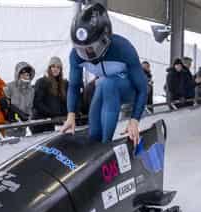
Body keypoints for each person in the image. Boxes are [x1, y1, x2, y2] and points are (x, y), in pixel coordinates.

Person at [60, 3, 147, 146]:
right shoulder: (76, 56)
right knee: (100, 92)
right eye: (81, 49)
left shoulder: (123, 49)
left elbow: (143, 88)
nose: (86, 54)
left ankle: (107, 143)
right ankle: (96, 143)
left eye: (91, 48)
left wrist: (134, 119)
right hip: (106, 89)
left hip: (127, 88)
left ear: (105, 38)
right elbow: (74, 86)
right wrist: (71, 115)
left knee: (107, 83)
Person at [32, 57, 68, 134]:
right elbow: (37, 103)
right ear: (49, 68)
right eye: (53, 66)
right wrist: (52, 113)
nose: (55, 69)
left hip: (53, 122)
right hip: (40, 122)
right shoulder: (41, 82)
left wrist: (65, 113)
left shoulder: (63, 84)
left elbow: (63, 102)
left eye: (58, 67)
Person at [4, 61, 35, 136]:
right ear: (18, 74)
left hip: (22, 130)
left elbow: (30, 108)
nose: (25, 76)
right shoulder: (9, 87)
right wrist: (13, 117)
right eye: (23, 74)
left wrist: (27, 119)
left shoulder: (31, 90)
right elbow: (4, 106)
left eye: (28, 74)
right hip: (8, 129)